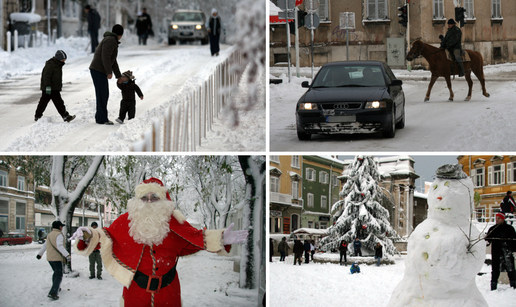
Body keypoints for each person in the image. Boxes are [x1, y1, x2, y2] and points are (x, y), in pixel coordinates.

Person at [71, 177, 248, 306]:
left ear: (163, 200)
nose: (149, 202)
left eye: (154, 198)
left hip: (168, 292)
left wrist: (221, 238)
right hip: (136, 293)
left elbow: (194, 237)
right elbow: (105, 236)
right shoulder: (126, 221)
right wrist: (87, 234)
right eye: (144, 198)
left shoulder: (175, 223)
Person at [90, 24, 124, 125]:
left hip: (99, 70)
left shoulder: (111, 40)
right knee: (102, 94)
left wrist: (118, 76)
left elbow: (113, 61)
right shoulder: (111, 40)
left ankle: (100, 116)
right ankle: (102, 118)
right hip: (98, 70)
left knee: (103, 94)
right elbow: (105, 57)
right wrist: (108, 71)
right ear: (120, 34)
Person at [34, 50, 76, 123]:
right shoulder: (51, 65)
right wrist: (47, 86)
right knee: (43, 102)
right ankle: (38, 116)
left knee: (58, 102)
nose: (64, 60)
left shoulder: (58, 64)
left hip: (54, 88)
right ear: (59, 58)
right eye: (63, 59)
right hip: (49, 87)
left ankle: (65, 116)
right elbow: (46, 76)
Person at [36, 220, 71, 301]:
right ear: (58, 227)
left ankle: (56, 287)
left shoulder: (50, 234)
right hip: (57, 258)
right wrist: (67, 255)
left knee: (56, 273)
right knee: (59, 274)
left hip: (50, 258)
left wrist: (40, 254)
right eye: (61, 226)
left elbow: (45, 245)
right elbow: (59, 246)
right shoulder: (59, 234)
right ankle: (53, 292)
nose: (62, 227)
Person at [485, 212, 516, 290]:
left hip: (507, 252)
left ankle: (514, 286)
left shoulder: (510, 229)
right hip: (496, 253)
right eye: (496, 218)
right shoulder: (493, 229)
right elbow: (487, 242)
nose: (497, 220)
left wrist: (514, 250)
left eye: (499, 218)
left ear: (503, 219)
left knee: (511, 269)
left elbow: (514, 241)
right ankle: (493, 287)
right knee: (495, 270)